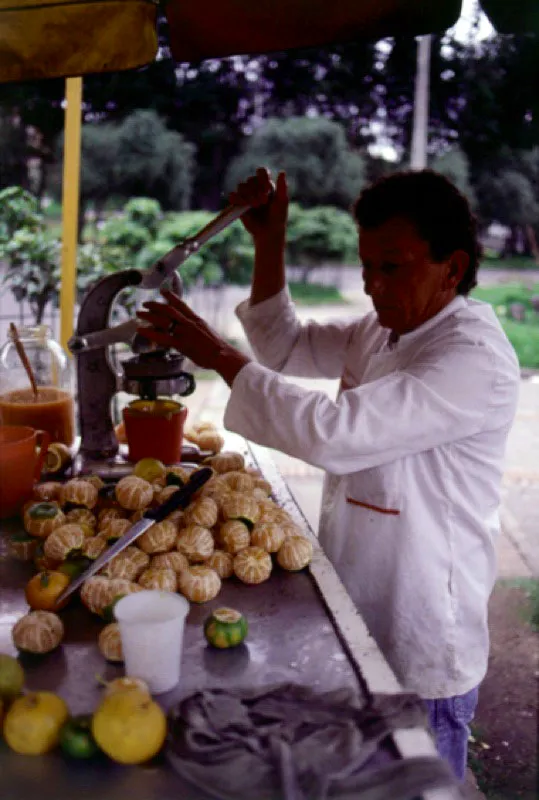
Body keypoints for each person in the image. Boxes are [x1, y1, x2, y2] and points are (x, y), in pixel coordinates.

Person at [137, 167, 520, 781]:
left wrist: (213, 353)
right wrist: (270, 242)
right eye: (365, 266)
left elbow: (335, 434)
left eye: (391, 267)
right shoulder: (385, 326)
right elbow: (286, 348)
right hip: (362, 613)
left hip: (423, 636)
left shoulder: (471, 357)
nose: (371, 286)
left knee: (413, 789)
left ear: (452, 268)